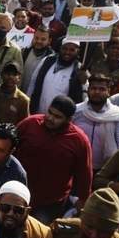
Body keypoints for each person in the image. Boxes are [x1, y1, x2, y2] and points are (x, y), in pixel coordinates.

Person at [15, 96, 93, 224]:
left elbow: (85, 174)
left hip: (50, 203)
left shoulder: (79, 141)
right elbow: (8, 147)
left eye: (57, 117)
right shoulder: (30, 124)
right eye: (50, 112)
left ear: (69, 120)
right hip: (18, 193)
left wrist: (83, 200)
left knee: (38, 237)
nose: (50, 118)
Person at [72, 75, 119, 170]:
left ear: (109, 91)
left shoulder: (118, 115)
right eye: (93, 88)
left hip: (104, 169)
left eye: (102, 89)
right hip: (76, 164)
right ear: (88, 90)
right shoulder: (76, 111)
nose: (97, 92)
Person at [28, 38, 85, 114]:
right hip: (38, 113)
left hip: (60, 119)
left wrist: (83, 81)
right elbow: (33, 82)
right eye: (65, 48)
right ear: (60, 48)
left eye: (72, 50)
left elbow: (84, 96)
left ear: (77, 51)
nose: (67, 52)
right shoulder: (48, 60)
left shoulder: (80, 70)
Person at [0, 63, 31, 136]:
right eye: (8, 73)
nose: (10, 77)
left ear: (19, 77)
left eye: (14, 74)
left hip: (8, 141)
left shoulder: (24, 100)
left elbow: (24, 125)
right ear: (2, 75)